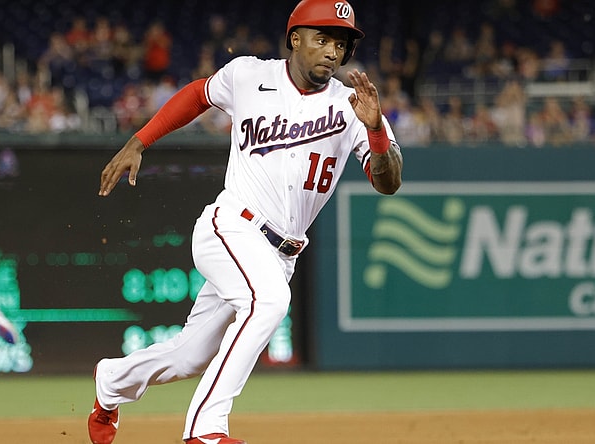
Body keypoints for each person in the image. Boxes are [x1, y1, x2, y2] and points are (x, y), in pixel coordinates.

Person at [88, 1, 403, 444]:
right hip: (232, 226)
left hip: (281, 253)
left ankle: (112, 382)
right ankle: (205, 429)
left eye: (340, 42)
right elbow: (197, 95)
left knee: (189, 356)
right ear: (295, 38)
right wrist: (141, 141)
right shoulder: (249, 75)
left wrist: (374, 129)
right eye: (322, 38)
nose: (332, 51)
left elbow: (388, 181)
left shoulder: (354, 107)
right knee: (270, 302)